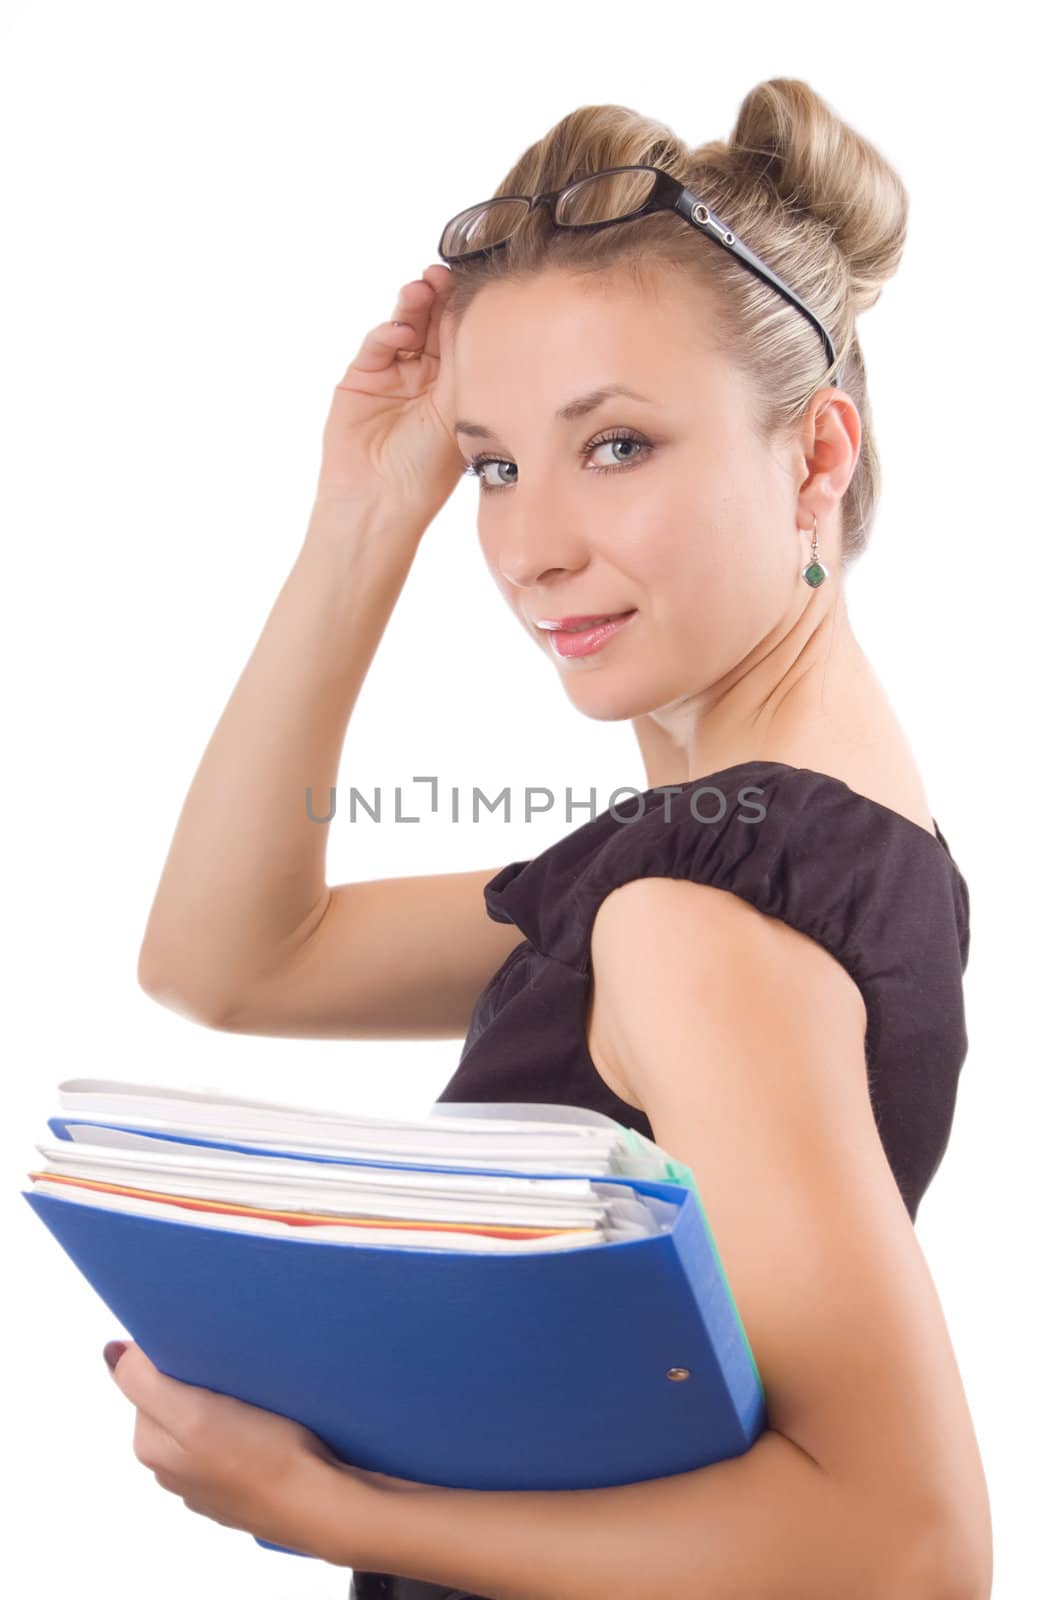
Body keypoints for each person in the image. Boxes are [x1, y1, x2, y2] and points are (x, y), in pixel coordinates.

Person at [137, 79, 992, 1600]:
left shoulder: (698, 919)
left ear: (816, 454)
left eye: (616, 447)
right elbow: (233, 960)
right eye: (491, 464)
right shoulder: (756, 852)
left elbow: (911, 1554)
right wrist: (362, 511)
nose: (531, 549)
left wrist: (334, 1510)